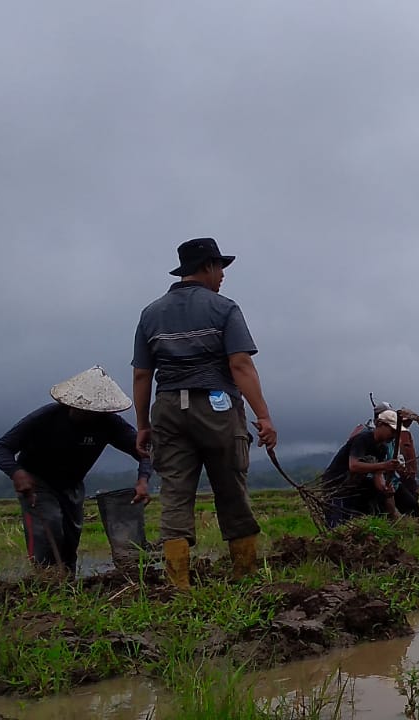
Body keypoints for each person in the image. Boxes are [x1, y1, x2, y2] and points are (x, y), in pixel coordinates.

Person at [132, 237, 277, 589]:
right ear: (209, 267)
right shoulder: (224, 308)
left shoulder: (151, 313)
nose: (223, 276)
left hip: (167, 408)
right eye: (220, 268)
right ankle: (244, 576)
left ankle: (178, 586)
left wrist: (142, 425)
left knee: (175, 494)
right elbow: (240, 364)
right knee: (231, 488)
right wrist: (264, 416)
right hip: (216, 406)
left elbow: (141, 374)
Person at [0, 368, 152, 574]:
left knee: (70, 538)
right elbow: (1, 447)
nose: (92, 416)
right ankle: (45, 581)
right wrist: (17, 473)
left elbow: (144, 451)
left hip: (72, 484)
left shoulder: (108, 423)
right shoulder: (46, 417)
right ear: (72, 405)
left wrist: (143, 480)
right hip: (37, 482)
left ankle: (68, 583)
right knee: (48, 528)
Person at [320, 409, 403, 526]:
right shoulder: (363, 439)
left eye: (396, 432)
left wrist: (385, 488)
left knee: (349, 520)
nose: (393, 435)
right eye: (392, 430)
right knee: (336, 522)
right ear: (379, 424)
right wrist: (385, 465)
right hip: (336, 484)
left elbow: (378, 474)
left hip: (352, 485)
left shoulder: (382, 449)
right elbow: (354, 465)